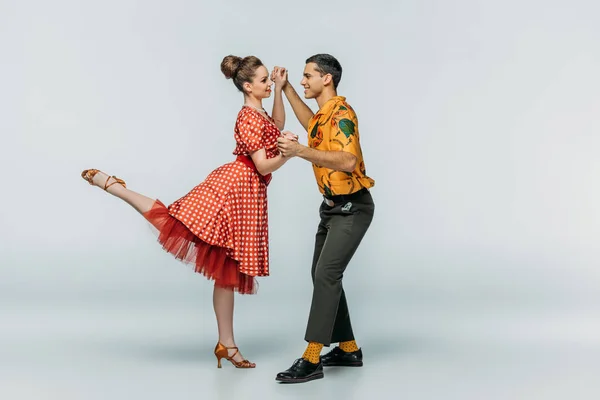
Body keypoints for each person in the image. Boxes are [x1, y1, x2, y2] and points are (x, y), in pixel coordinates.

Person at [81, 55, 294, 369]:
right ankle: (113, 185)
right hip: (235, 189)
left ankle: (227, 344)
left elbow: (276, 128)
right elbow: (263, 163)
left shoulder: (258, 112)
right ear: (247, 86)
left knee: (226, 272)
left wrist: (279, 90)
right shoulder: (247, 117)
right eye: (264, 81)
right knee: (174, 224)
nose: (267, 83)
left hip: (250, 194)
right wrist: (290, 155)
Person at [272, 54, 375, 383]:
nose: (303, 81)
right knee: (322, 275)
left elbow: (347, 160)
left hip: (352, 207)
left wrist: (300, 152)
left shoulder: (343, 113)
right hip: (331, 207)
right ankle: (348, 349)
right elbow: (310, 124)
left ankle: (312, 357)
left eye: (307, 76)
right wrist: (286, 88)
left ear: (326, 79)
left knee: (327, 274)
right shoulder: (324, 115)